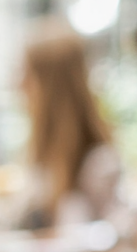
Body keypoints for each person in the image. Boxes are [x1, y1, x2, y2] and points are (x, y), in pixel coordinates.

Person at [18, 29, 120, 229]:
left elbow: (117, 232)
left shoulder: (99, 164)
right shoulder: (45, 160)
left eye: (28, 75)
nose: (19, 85)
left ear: (51, 88)